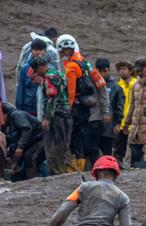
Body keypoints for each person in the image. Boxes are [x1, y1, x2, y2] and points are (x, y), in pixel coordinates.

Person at [57, 34, 110, 171]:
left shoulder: (71, 67)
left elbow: (71, 91)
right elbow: (102, 85)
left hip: (83, 111)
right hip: (90, 111)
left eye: (62, 52)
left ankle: (84, 169)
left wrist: (68, 108)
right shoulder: (87, 65)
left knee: (81, 143)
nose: (61, 55)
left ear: (67, 50)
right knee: (85, 144)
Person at [30, 56, 72, 175]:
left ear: (40, 67)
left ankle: (56, 171)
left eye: (36, 70)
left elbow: (52, 98)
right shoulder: (60, 74)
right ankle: (63, 169)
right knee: (64, 144)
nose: (36, 73)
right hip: (67, 113)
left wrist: (47, 118)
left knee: (53, 145)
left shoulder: (49, 78)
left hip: (56, 116)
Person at [1, 103, 45, 181]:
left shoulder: (16, 115)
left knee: (30, 157)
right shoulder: (9, 125)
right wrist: (16, 162)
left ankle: (33, 181)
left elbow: (26, 129)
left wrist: (20, 147)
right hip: (31, 142)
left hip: (40, 139)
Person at [124, 58, 146, 166]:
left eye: (141, 70)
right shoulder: (136, 85)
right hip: (137, 125)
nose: (139, 73)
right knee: (135, 154)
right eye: (137, 71)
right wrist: (127, 123)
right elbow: (132, 105)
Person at [96, 58, 124, 158]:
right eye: (100, 71)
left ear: (108, 70)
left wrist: (118, 123)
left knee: (106, 150)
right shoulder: (94, 84)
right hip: (95, 123)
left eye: (105, 71)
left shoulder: (115, 87)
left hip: (109, 125)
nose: (102, 74)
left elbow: (119, 107)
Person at [115, 61, 137, 163]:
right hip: (122, 120)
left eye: (124, 69)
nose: (122, 72)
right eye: (120, 69)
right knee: (120, 145)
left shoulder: (136, 84)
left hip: (133, 120)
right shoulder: (118, 85)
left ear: (130, 71)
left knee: (134, 145)